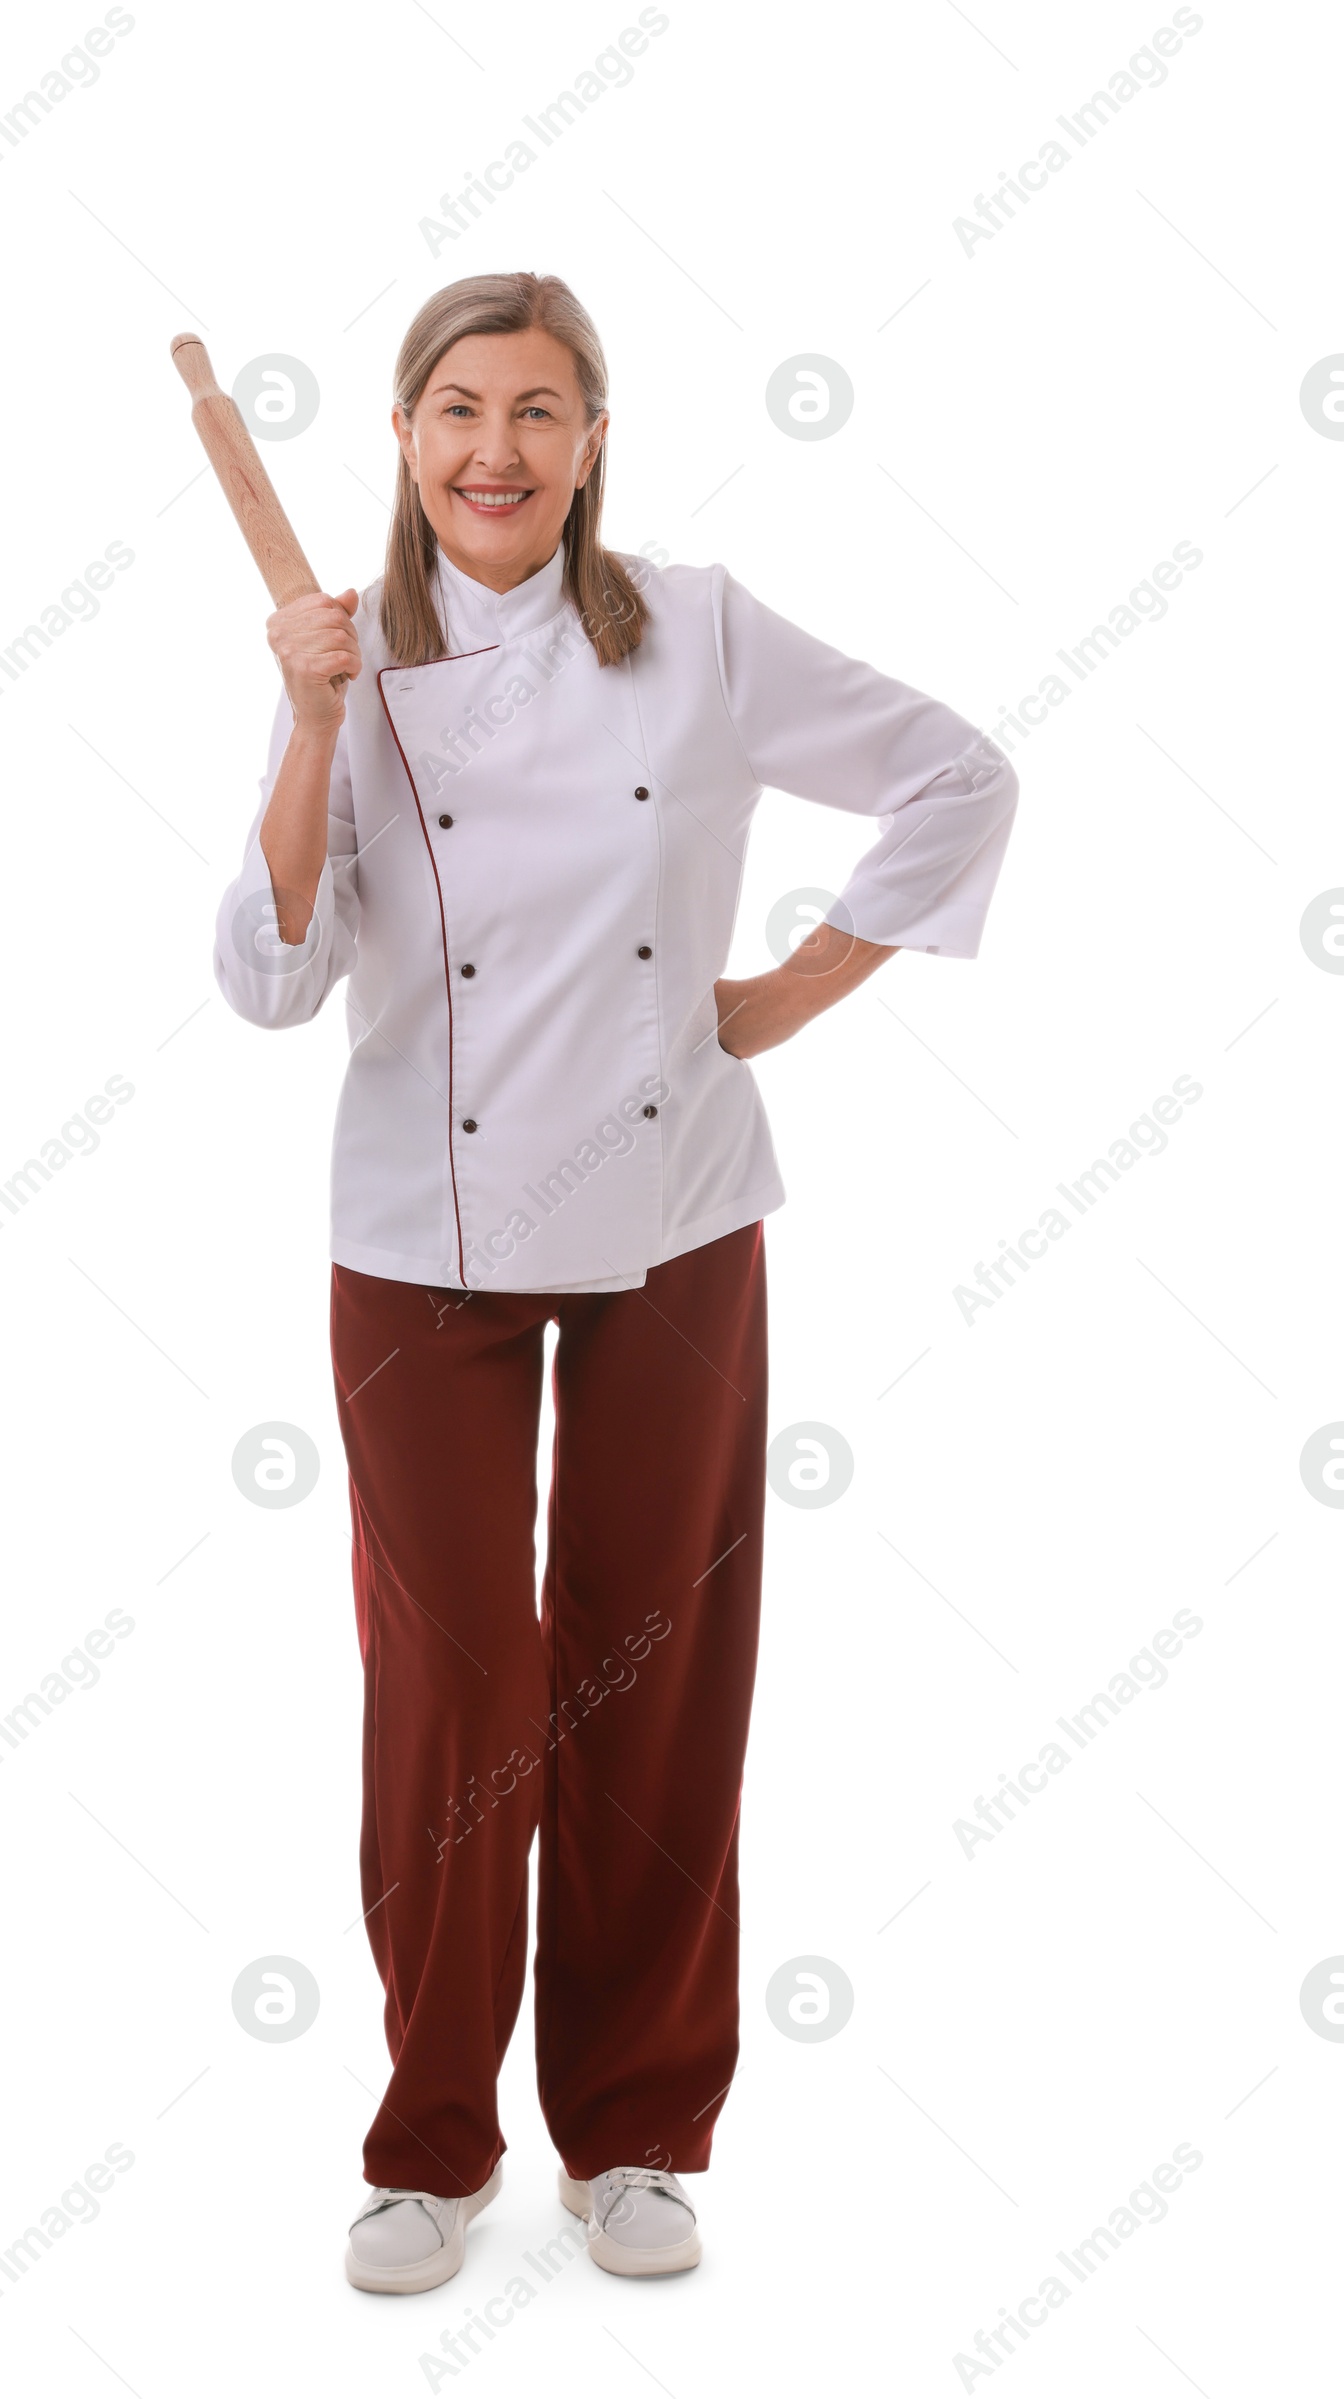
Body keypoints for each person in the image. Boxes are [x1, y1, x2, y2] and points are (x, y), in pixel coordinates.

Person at [211, 270, 1018, 2294]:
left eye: (541, 411)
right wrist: (305, 729)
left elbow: (956, 774)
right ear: (402, 440)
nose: (497, 448)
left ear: (591, 443)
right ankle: (427, 2144)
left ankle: (637, 2133)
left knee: (653, 1657)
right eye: (459, 409)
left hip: (670, 1215)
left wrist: (794, 989)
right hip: (418, 1236)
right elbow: (268, 977)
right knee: (461, 1680)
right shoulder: (351, 668)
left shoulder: (701, 633)